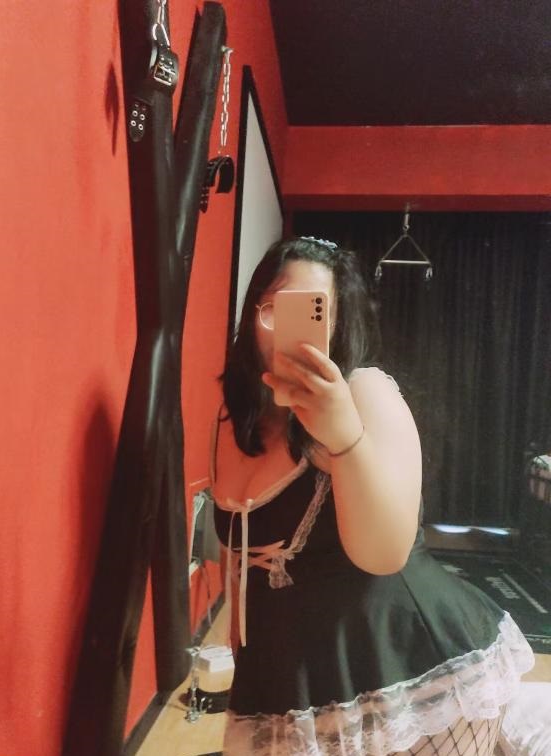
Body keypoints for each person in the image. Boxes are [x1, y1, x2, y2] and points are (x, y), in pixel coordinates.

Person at [209, 236, 534, 755]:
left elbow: (384, 555)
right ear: (251, 315)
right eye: (272, 308)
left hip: (411, 675)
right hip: (287, 683)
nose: (285, 327)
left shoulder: (366, 392)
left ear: (338, 323)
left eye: (312, 309)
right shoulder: (233, 420)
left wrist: (343, 438)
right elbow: (240, 563)